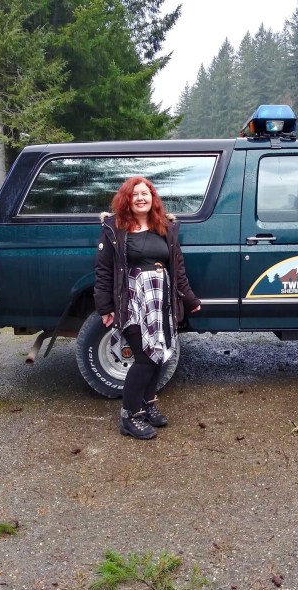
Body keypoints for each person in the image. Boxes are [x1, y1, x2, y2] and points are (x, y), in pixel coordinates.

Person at [94, 177, 201, 439]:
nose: (141, 198)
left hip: (161, 300)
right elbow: (104, 270)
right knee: (145, 358)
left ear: (153, 198)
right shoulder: (115, 228)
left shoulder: (165, 227)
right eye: (135, 194)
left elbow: (178, 268)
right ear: (126, 200)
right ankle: (129, 416)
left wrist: (189, 299)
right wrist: (105, 307)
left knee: (160, 354)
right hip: (132, 301)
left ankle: (147, 403)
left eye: (145, 193)